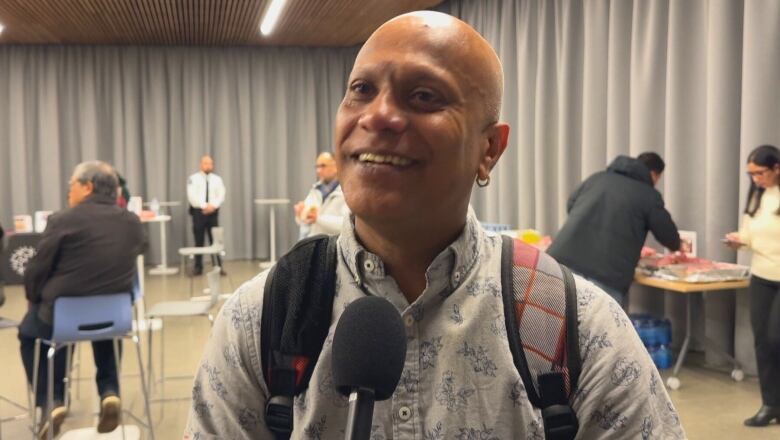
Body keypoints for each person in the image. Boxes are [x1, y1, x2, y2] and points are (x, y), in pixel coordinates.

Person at [185, 11, 685, 439]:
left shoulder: (575, 329)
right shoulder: (262, 319)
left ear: (490, 149)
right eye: (361, 89)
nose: (379, 115)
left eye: (424, 96)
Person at [18, 161, 144, 438]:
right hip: (116, 317)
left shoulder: (63, 220)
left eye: (71, 185)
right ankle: (110, 391)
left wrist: (34, 297)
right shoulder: (132, 222)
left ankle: (52, 400)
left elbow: (38, 271)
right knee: (101, 326)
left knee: (32, 331)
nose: (68, 191)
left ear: (87, 187)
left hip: (63, 317)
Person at [547, 152, 681, 307]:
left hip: (561, 265)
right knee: (600, 330)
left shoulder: (597, 178)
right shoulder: (648, 195)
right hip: (606, 276)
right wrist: (677, 245)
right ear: (654, 174)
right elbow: (666, 232)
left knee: (558, 325)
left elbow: (571, 205)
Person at [725, 145, 780, 427]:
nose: (755, 179)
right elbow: (750, 234)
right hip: (761, 276)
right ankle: (770, 404)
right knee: (762, 342)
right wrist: (740, 240)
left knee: (775, 339)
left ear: (776, 169)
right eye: (751, 174)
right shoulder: (757, 195)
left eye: (759, 173)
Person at [293, 152, 349, 238]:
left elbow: (348, 225)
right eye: (317, 167)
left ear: (336, 166)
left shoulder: (347, 191)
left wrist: (318, 219)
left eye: (323, 166)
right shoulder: (316, 189)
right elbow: (304, 221)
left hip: (333, 246)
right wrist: (300, 214)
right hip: (311, 242)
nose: (318, 171)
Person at [187, 154, 226, 275]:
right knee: (199, 240)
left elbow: (221, 195)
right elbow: (192, 196)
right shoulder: (193, 178)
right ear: (201, 164)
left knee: (215, 240)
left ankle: (218, 266)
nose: (208, 165)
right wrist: (204, 206)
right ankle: (198, 267)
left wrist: (212, 206)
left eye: (210, 163)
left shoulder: (217, 179)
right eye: (205, 163)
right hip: (199, 212)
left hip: (213, 213)